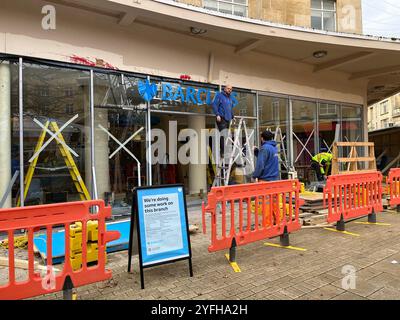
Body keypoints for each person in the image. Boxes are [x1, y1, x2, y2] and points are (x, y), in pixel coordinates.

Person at [212, 84, 235, 157]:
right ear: (224, 89)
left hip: (228, 119)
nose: (229, 90)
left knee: (228, 135)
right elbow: (214, 104)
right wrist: (217, 114)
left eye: (231, 89)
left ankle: (228, 151)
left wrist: (233, 116)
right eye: (228, 88)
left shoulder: (230, 98)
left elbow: (230, 108)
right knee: (223, 134)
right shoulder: (219, 95)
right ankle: (222, 152)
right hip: (221, 118)